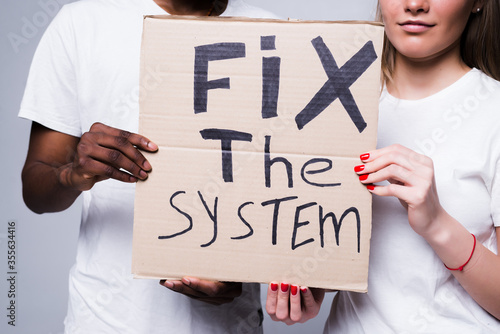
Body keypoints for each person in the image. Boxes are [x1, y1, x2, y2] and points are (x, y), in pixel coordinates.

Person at [19, 0, 278, 333]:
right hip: (106, 321)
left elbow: (282, 189)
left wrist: (243, 272)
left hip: (230, 324)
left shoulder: (274, 32)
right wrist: (72, 175)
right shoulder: (82, 22)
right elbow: (35, 191)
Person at [266, 0, 500, 332]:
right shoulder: (329, 105)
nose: (415, 4)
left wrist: (437, 225)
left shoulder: (493, 114)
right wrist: (311, 284)